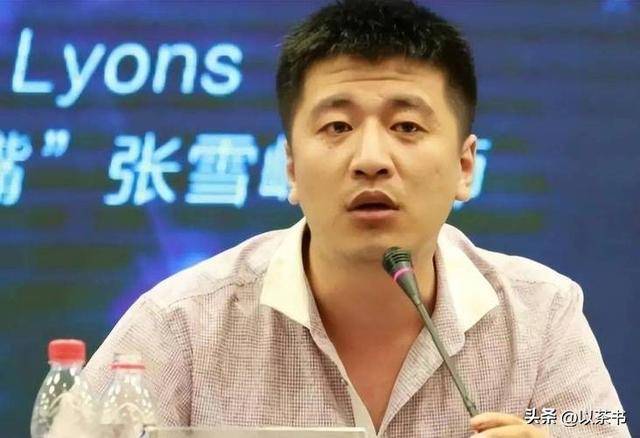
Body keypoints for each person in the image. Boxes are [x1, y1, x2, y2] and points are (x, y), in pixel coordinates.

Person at [78, 1, 630, 437]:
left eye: (407, 127)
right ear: (291, 169)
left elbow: (590, 426)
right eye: (337, 127)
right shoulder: (181, 325)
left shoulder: (541, 316)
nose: (370, 159)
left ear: (465, 167)